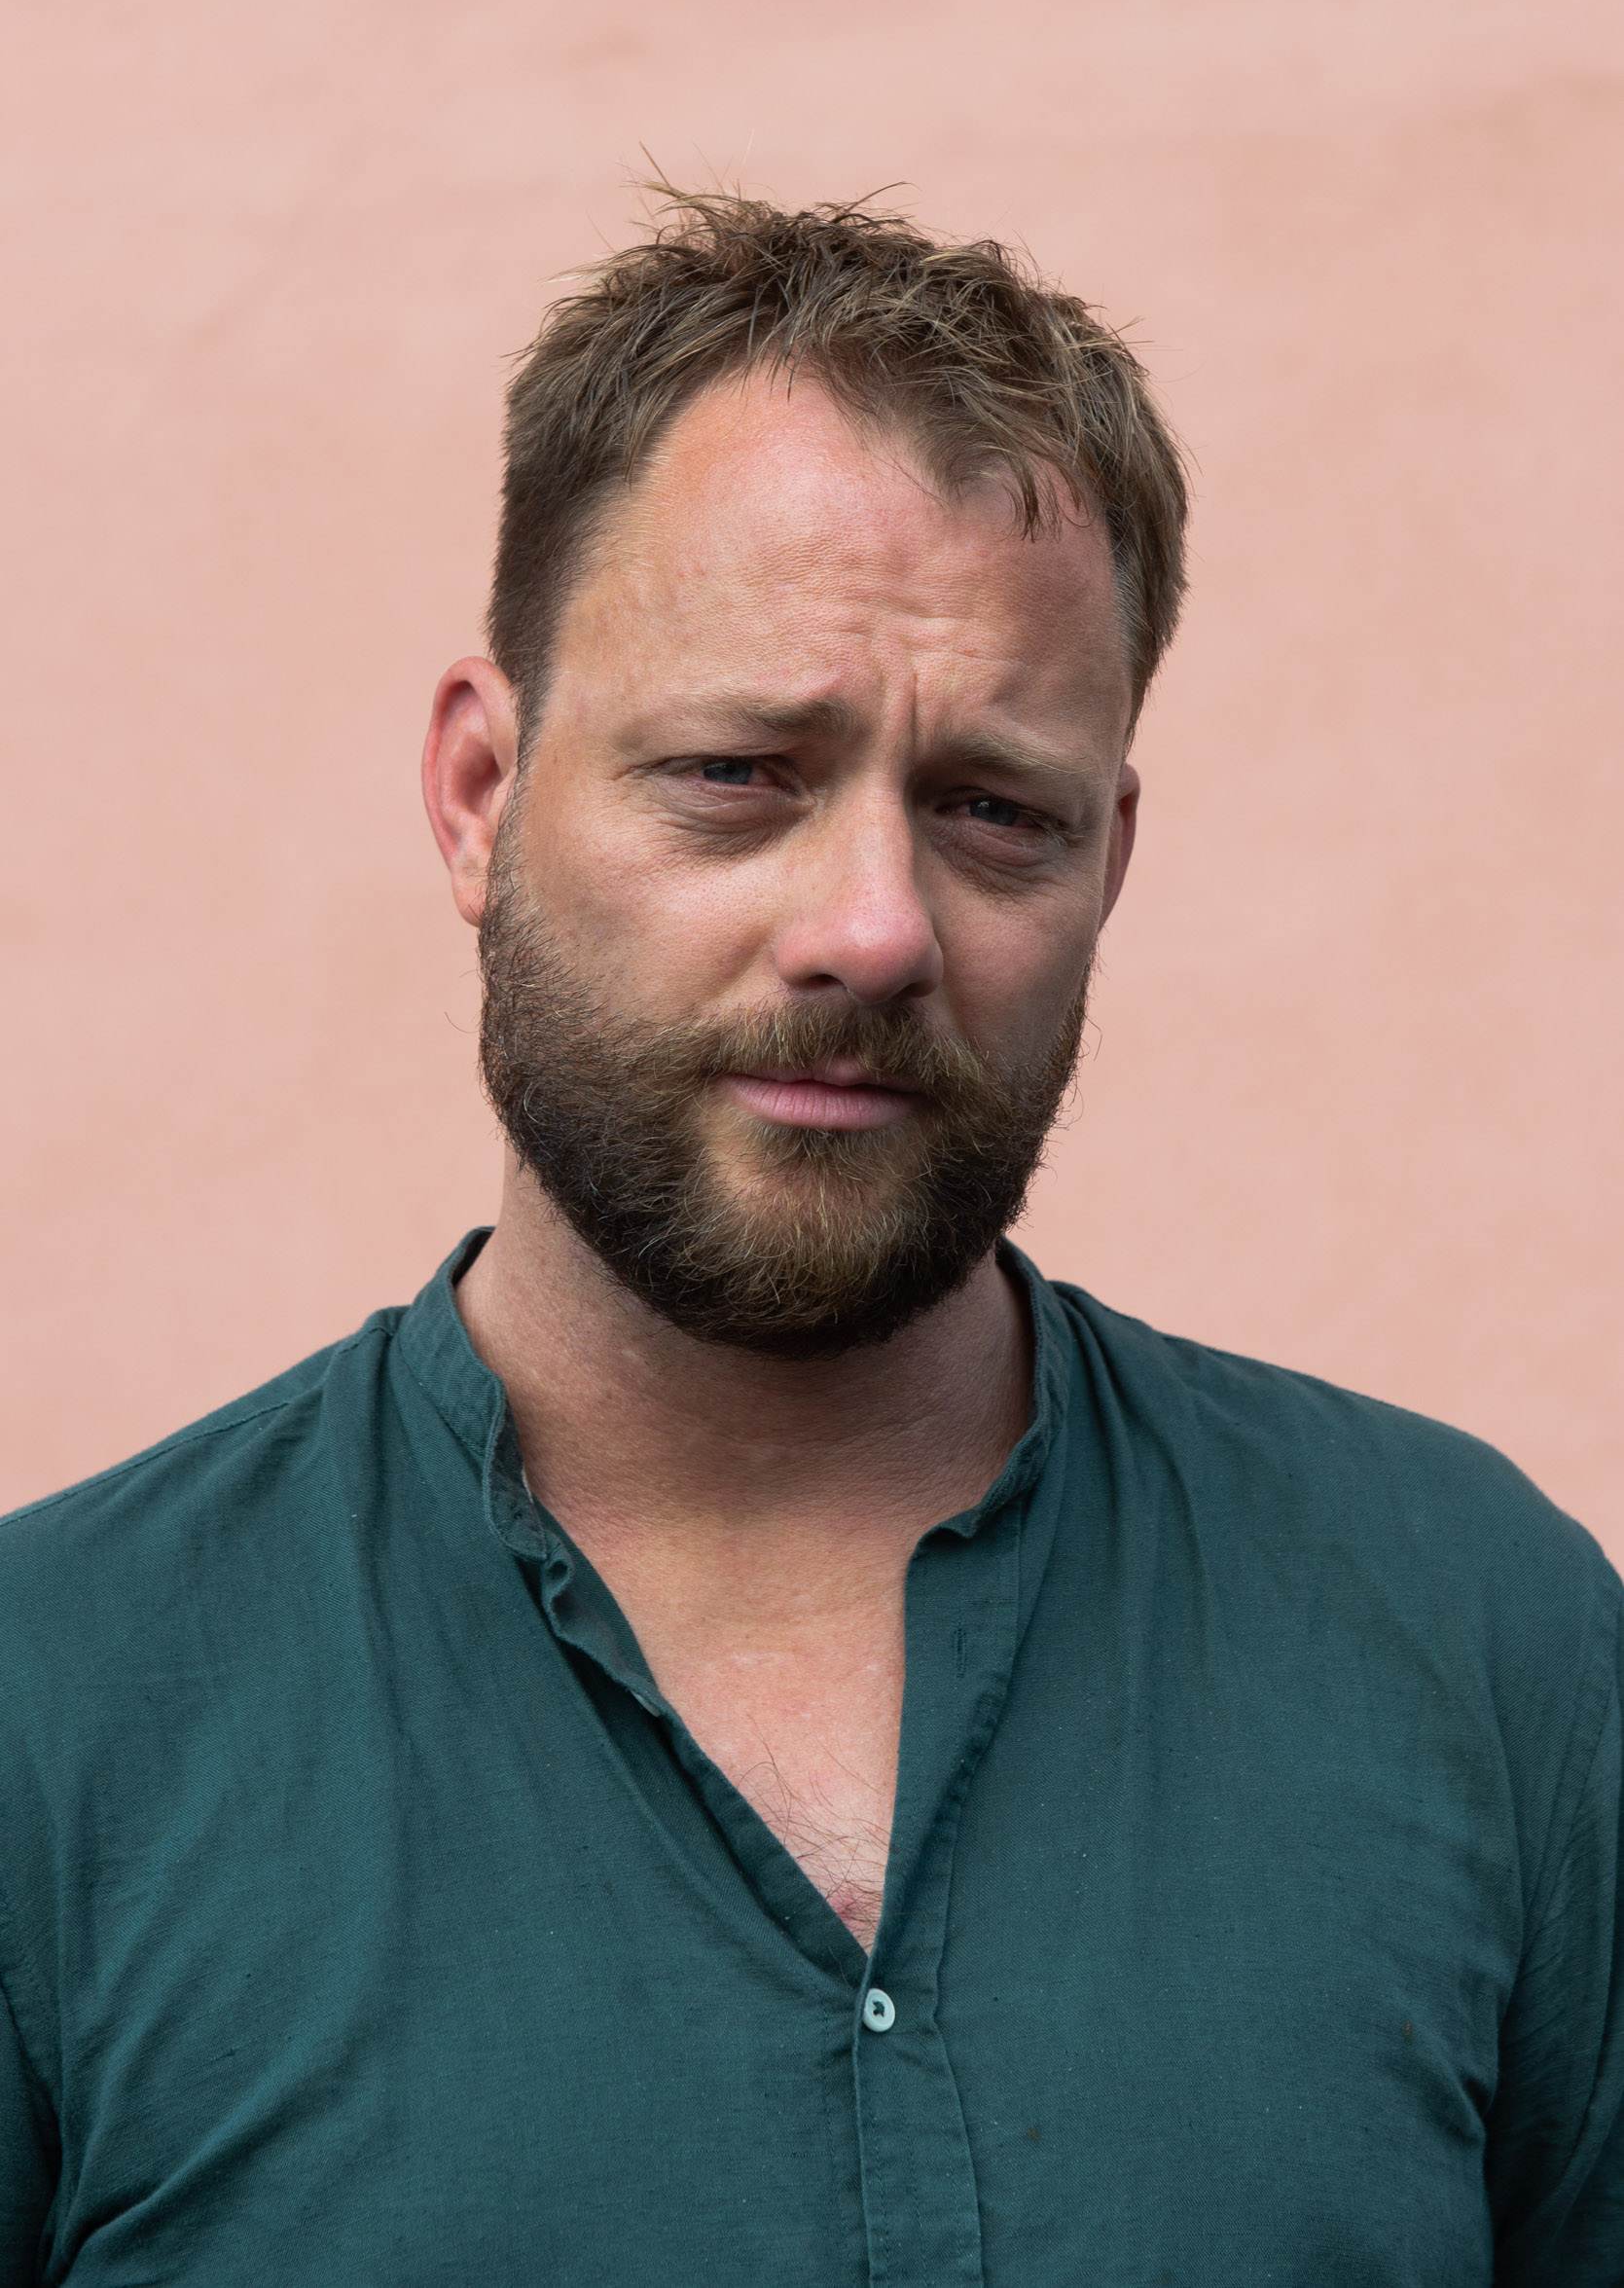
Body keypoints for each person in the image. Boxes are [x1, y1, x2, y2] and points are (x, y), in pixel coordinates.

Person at [1, 193, 1618, 2287]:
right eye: (738, 773)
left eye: (994, 809)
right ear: (480, 790)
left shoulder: (1485, 1646)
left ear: (1111, 860)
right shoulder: (54, 1720)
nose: (872, 927)